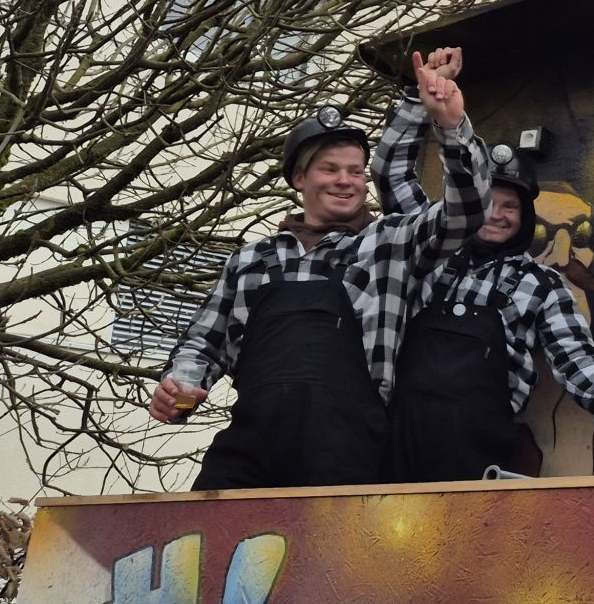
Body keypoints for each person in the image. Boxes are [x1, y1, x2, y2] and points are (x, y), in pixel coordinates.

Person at [153, 55, 489, 488]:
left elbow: (469, 212)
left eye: (355, 171)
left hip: (347, 446)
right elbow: (205, 343)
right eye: (330, 169)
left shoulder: (389, 243)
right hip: (251, 442)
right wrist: (178, 390)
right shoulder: (252, 259)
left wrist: (451, 125)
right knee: (204, 545)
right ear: (299, 178)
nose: (345, 181)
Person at [370, 59, 594, 482]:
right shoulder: (428, 245)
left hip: (474, 447)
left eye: (511, 206)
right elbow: (391, 173)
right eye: (489, 201)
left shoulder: (541, 284)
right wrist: (420, 97)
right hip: (392, 433)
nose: (498, 214)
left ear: (526, 218)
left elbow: (575, 357)